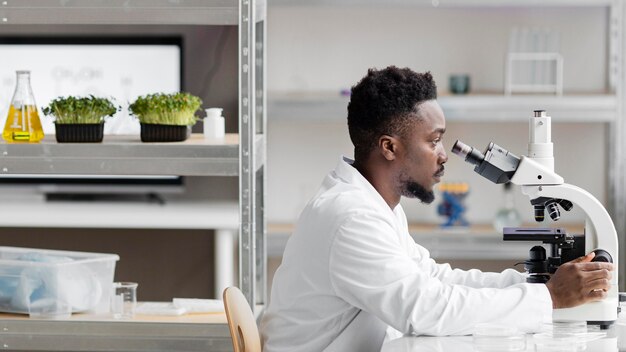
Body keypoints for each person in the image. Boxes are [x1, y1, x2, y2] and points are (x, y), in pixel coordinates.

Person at [260, 66, 613, 352]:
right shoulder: (351, 218)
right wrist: (548, 298)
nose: (443, 154)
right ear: (389, 147)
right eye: (433, 140)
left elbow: (433, 279)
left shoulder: (373, 204)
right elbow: (426, 309)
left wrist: (531, 282)